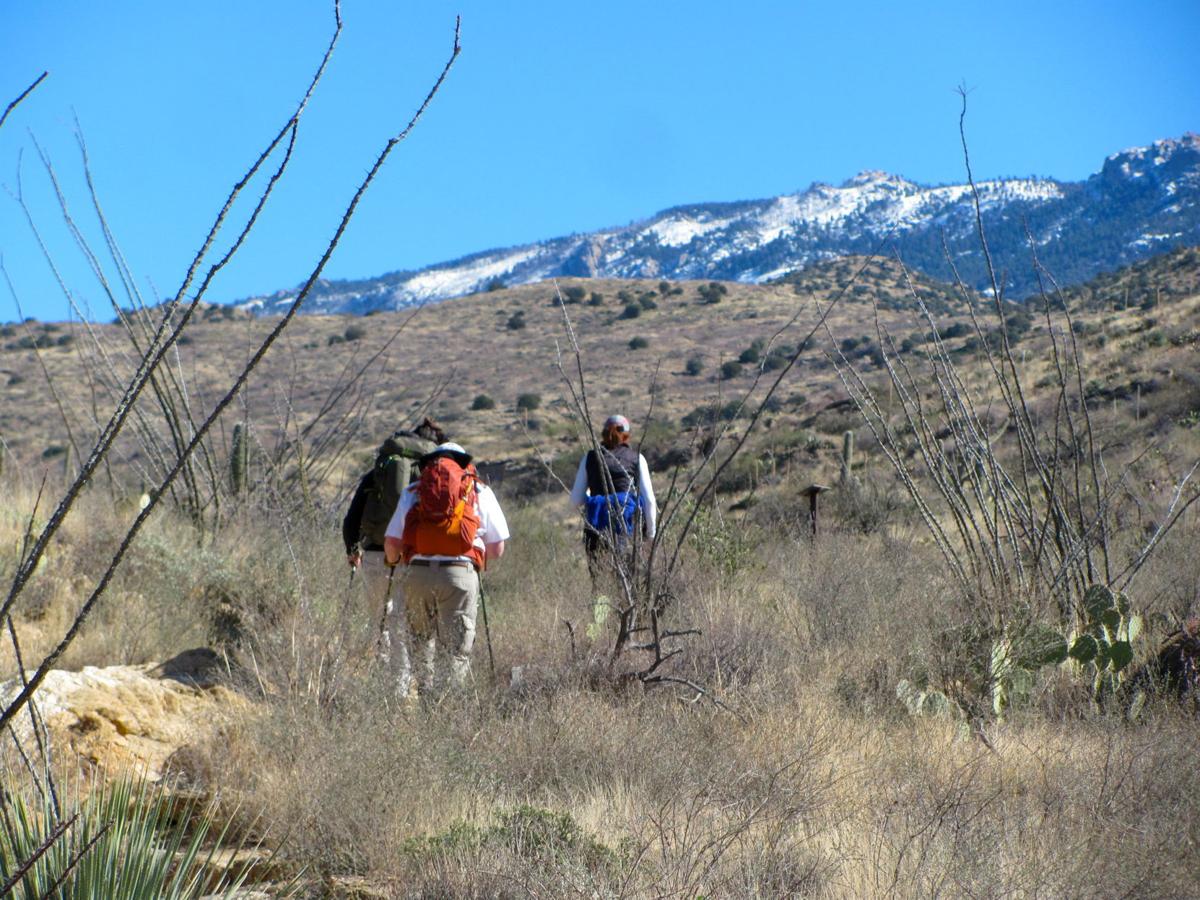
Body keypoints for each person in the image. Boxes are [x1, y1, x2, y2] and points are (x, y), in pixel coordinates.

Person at [383, 441, 509, 695]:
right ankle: (446, 709)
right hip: (459, 574)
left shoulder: (414, 490)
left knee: (420, 642)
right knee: (455, 649)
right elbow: (496, 549)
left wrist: (397, 561)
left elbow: (392, 544)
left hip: (417, 573)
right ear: (463, 463)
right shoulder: (478, 489)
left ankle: (425, 700)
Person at [341, 418, 446, 694]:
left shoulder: (381, 470)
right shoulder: (431, 473)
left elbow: (351, 519)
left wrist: (353, 551)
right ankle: (425, 686)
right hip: (416, 559)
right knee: (417, 624)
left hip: (375, 555)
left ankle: (392, 690)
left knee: (383, 622)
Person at [568, 414, 657, 582]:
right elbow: (650, 501)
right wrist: (650, 535)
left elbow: (575, 501)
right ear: (626, 435)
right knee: (628, 583)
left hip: (596, 532)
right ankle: (627, 608)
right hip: (629, 530)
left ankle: (601, 609)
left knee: (601, 584)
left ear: (603, 433)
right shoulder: (637, 458)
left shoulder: (590, 458)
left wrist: (592, 498)